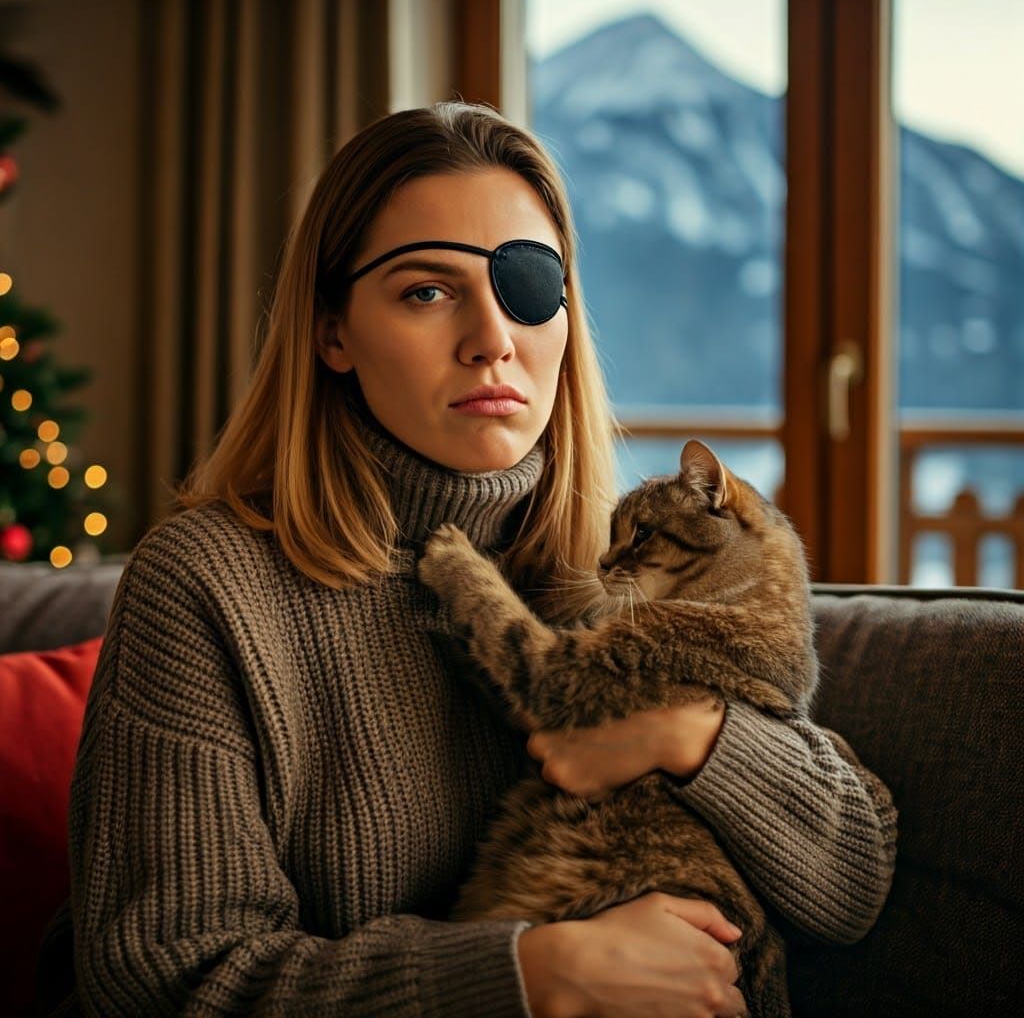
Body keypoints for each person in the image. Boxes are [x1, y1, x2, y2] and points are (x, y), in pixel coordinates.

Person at [37, 101, 897, 1017]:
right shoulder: (206, 584)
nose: (494, 339)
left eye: (529, 288)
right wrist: (532, 974)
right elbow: (164, 982)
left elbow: (851, 879)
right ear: (333, 331)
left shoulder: (616, 579)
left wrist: (690, 736)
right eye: (426, 290)